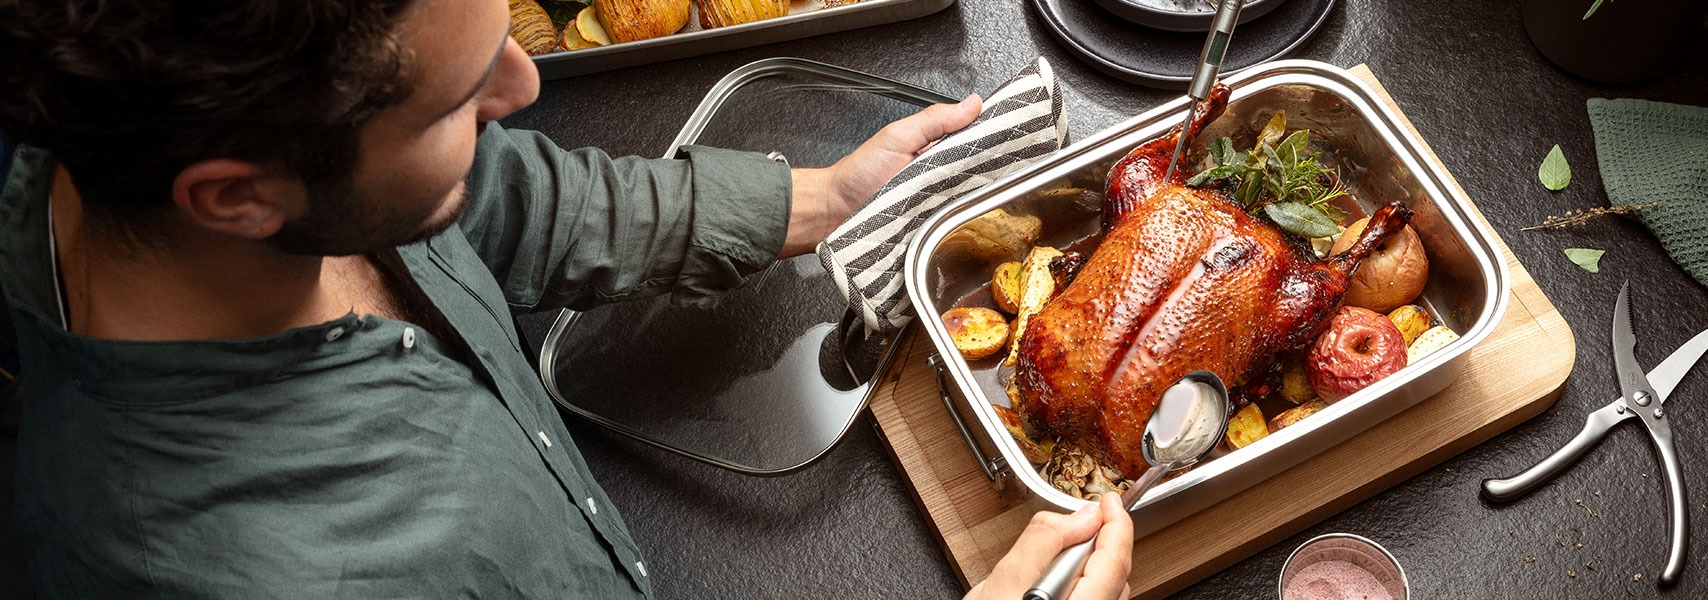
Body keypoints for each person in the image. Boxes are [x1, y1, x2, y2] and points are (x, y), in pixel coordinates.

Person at [0, 0, 1131, 597]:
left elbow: (488, 198)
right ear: (238, 197)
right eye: (454, 99)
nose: (526, 87)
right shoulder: (280, 573)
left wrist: (819, 200)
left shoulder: (149, 155)